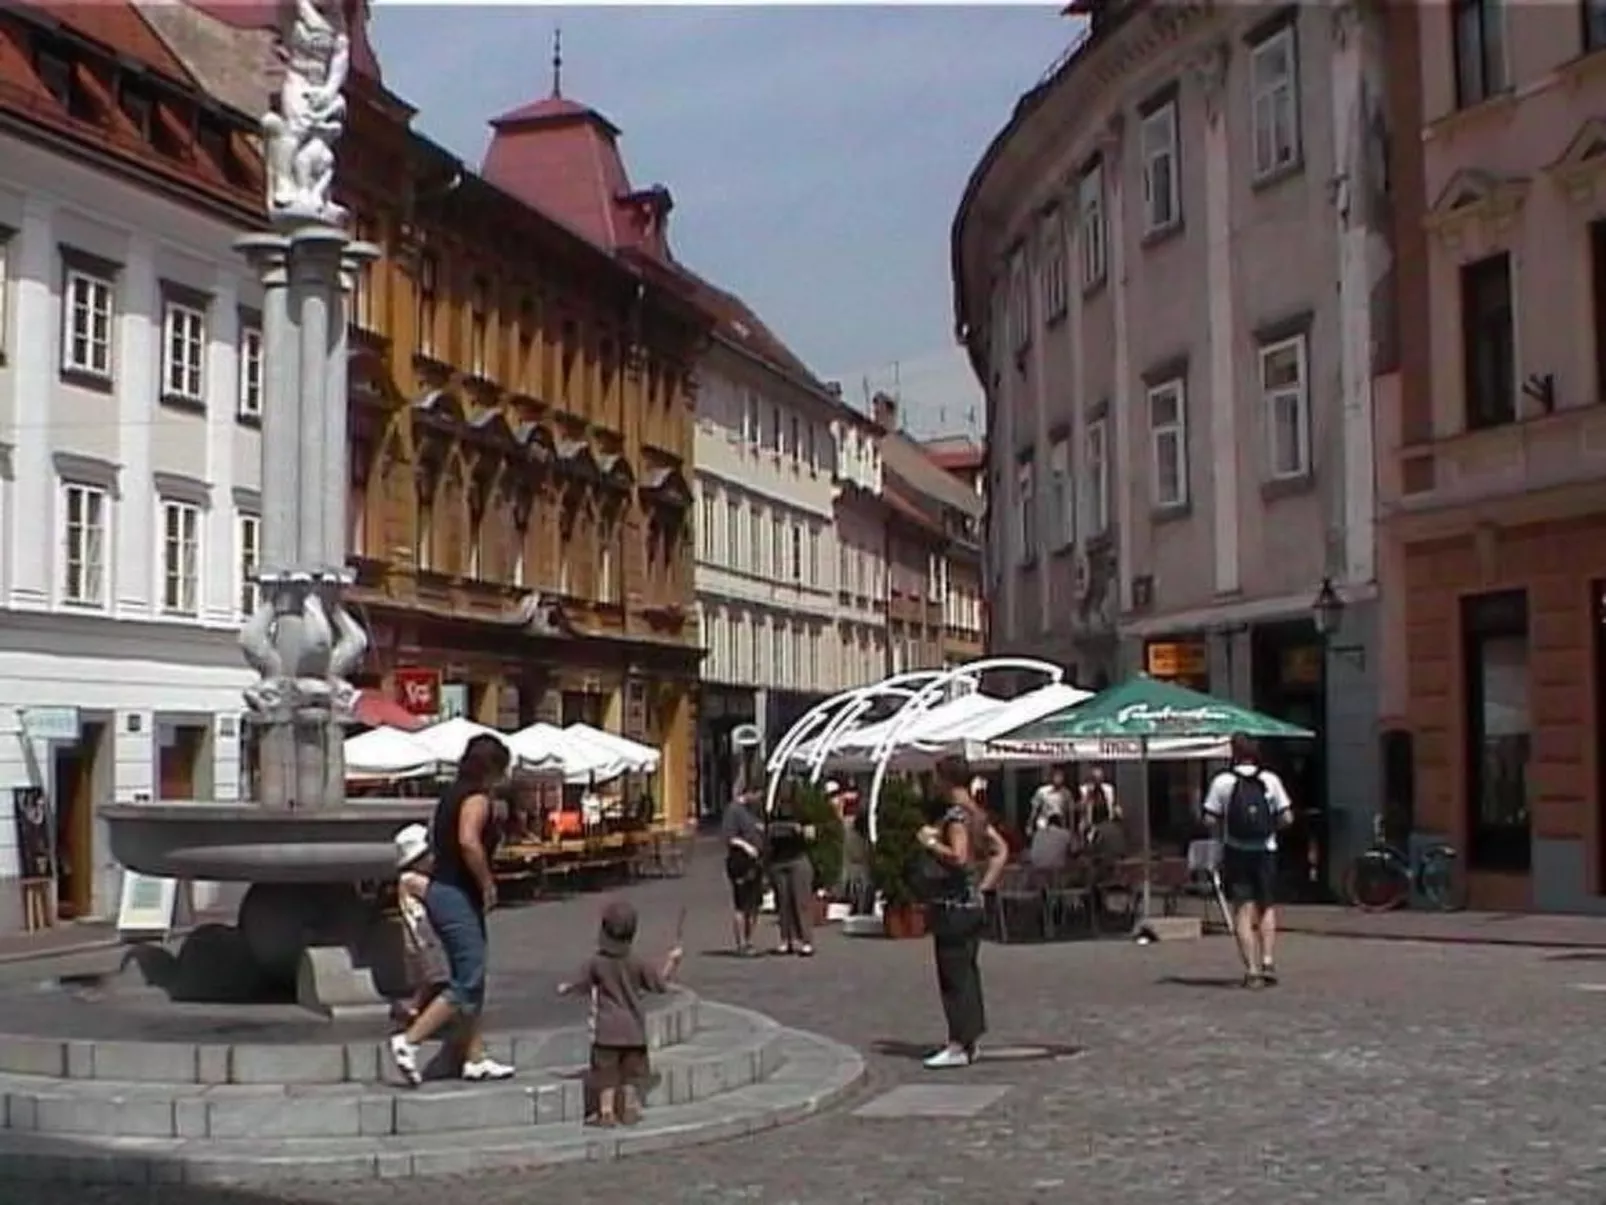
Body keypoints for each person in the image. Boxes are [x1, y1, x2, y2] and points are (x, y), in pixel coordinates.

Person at [389, 733, 514, 1086]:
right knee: (466, 980)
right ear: (492, 768)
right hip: (458, 893)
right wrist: (487, 882)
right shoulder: (476, 799)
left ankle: (474, 1058)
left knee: (472, 978)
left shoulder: (450, 795)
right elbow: (468, 841)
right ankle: (408, 1041)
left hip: (445, 890)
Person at [558, 899, 683, 1127]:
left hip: (606, 1031)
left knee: (606, 1075)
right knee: (631, 1076)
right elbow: (659, 984)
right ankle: (630, 1109)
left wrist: (567, 987)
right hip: (634, 1031)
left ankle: (606, 1112)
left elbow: (580, 982)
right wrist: (672, 962)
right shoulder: (637, 962)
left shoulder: (597, 962)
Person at [917, 756, 1008, 1070]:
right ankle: (970, 1041)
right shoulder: (977, 814)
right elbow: (1001, 850)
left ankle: (958, 1043)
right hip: (973, 905)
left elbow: (958, 857)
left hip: (953, 907)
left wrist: (931, 844)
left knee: (954, 975)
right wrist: (984, 887)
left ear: (945, 781)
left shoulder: (956, 816)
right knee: (968, 974)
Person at [1201, 733, 1294, 988]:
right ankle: (1267, 960)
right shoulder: (1270, 780)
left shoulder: (1222, 782)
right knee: (1266, 906)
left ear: (1234, 753)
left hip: (1236, 850)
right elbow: (1287, 817)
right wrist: (1269, 828)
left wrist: (1224, 828)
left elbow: (1209, 818)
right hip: (1265, 850)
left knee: (1242, 909)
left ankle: (1251, 970)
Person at [392, 823, 449, 1027]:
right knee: (436, 978)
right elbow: (436, 896)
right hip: (425, 938)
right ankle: (416, 1010)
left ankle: (416, 1009)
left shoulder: (411, 878)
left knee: (429, 980)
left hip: (423, 937)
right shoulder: (412, 879)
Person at [766, 785, 816, 957]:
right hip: (778, 862)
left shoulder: (802, 813)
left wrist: (801, 831)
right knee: (783, 903)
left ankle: (806, 941)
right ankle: (785, 939)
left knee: (801, 902)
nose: (783, 800)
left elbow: (811, 836)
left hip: (797, 859)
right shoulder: (773, 814)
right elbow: (767, 834)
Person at [722, 788, 765, 956]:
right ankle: (741, 944)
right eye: (756, 796)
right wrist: (746, 847)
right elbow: (729, 837)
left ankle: (750, 940)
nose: (757, 800)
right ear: (748, 793)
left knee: (754, 905)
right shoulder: (733, 810)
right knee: (741, 904)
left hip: (757, 861)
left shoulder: (754, 811)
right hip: (740, 862)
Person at [1028, 766, 1073, 834]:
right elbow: (1034, 809)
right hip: (1044, 822)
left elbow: (1070, 812)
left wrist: (1071, 828)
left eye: (1061, 776)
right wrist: (1030, 824)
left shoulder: (1066, 793)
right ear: (1052, 777)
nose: (1059, 778)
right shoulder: (1042, 791)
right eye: (1056, 776)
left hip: (1060, 823)